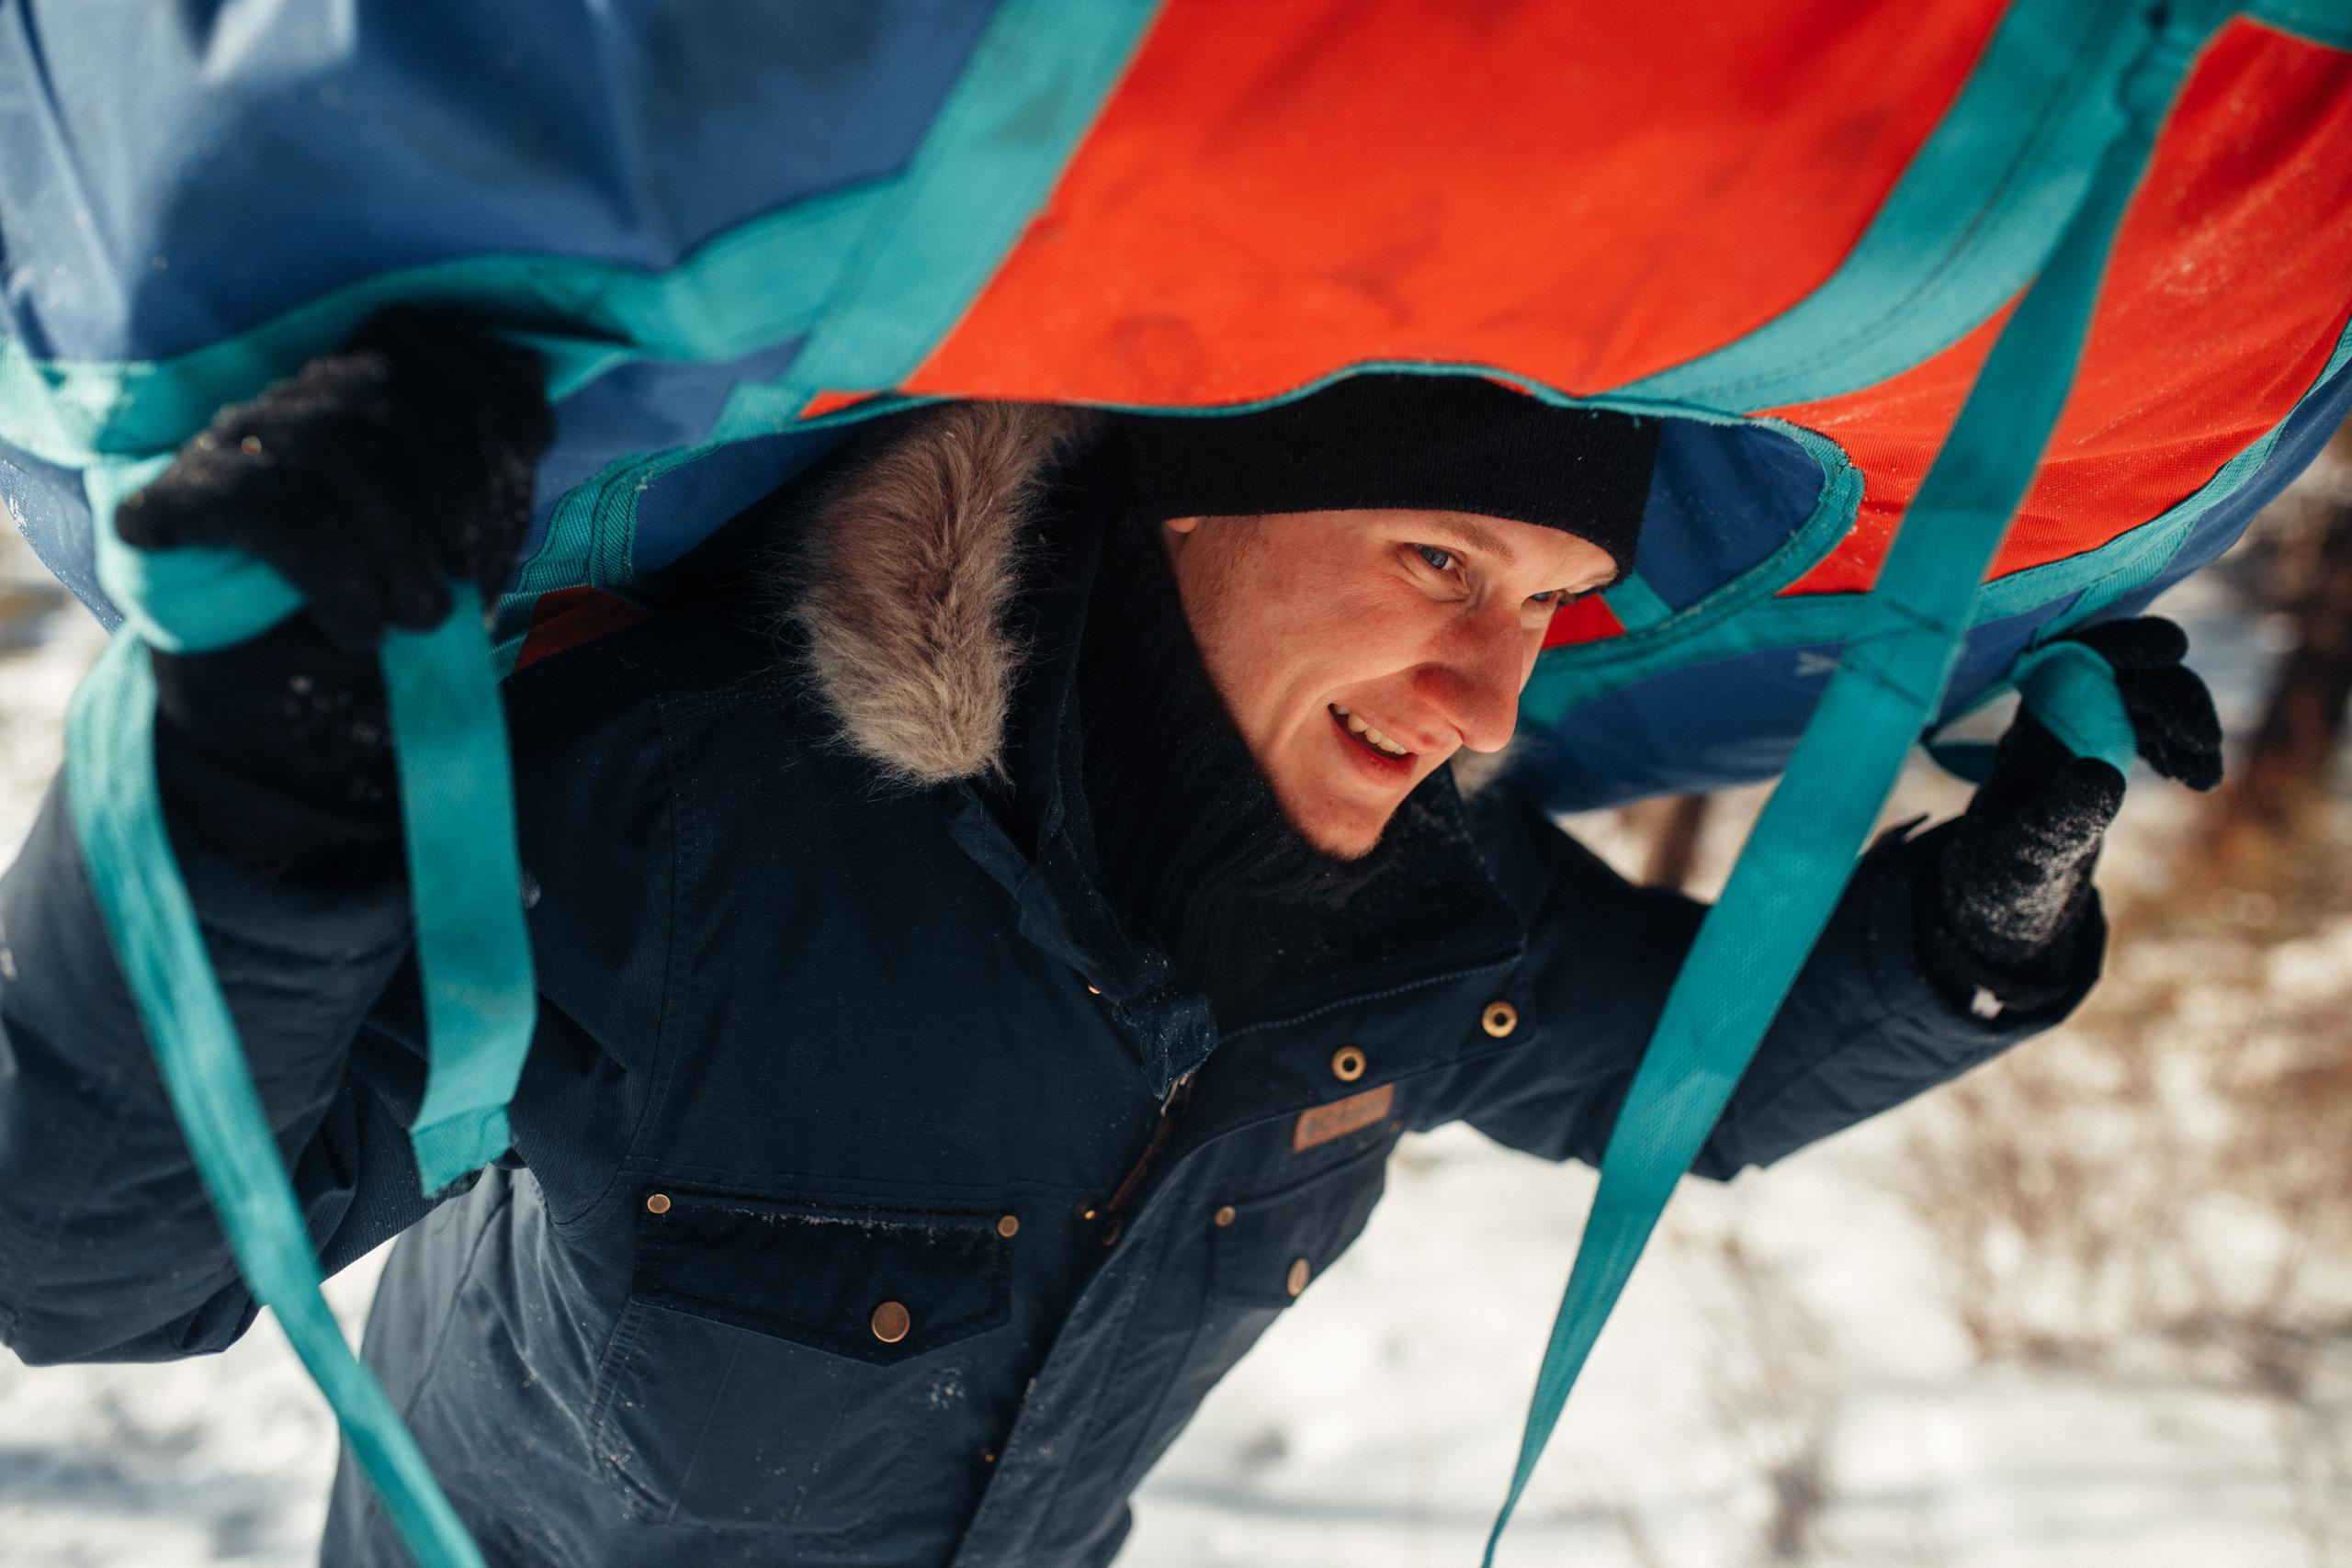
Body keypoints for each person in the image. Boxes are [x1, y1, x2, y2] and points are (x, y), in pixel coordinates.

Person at [0, 316, 2221, 1567]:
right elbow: (101, 1260)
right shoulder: (702, 807)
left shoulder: (1406, 904)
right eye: (1434, 552)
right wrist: (252, 777)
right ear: (1156, 515)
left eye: (1543, 603)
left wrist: (1973, 908)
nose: (1482, 695)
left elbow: (1679, 1075)